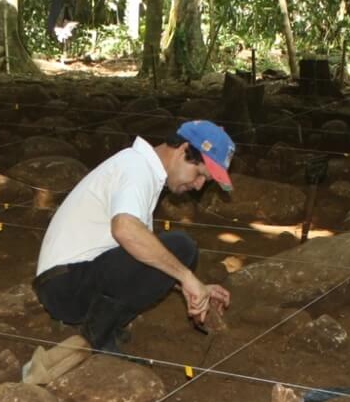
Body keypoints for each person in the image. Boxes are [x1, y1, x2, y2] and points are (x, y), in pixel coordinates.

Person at [33, 120, 235, 353]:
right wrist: (188, 277)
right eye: (199, 174)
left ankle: (103, 330)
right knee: (181, 247)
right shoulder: (136, 168)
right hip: (65, 284)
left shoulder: (142, 169)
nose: (199, 186)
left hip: (68, 281)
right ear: (182, 150)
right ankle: (98, 338)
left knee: (172, 253)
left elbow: (142, 260)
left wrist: (194, 286)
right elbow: (125, 230)